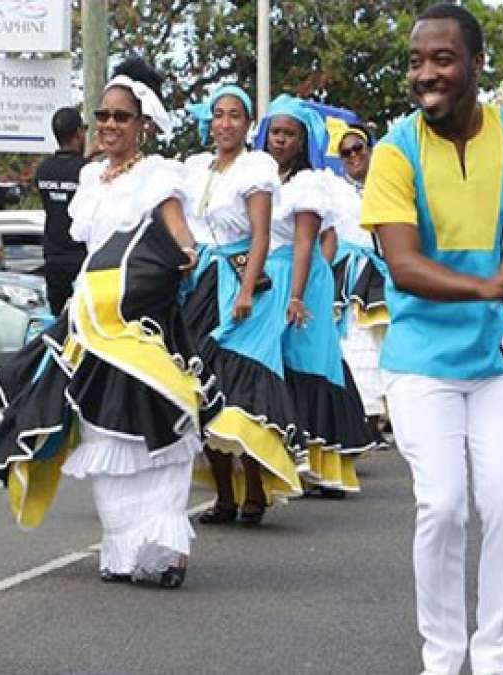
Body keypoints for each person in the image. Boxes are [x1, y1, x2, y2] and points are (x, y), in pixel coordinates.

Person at [361, 5, 503, 673]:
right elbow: (401, 264)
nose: (426, 74)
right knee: (445, 504)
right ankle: (442, 655)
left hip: (500, 358)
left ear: (478, 65)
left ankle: (492, 657)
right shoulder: (396, 149)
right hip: (422, 359)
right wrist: (489, 282)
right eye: (416, 61)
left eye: (443, 59)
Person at [0, 57, 203, 589]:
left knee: (159, 426)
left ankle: (168, 551)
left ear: (143, 123)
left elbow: (180, 236)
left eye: (121, 117)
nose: (108, 124)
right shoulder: (87, 177)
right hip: (90, 318)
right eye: (102, 115)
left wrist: (186, 255)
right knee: (104, 430)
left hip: (140, 322)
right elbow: (86, 249)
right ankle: (124, 550)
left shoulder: (159, 175)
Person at [182, 84, 301, 527]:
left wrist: (248, 289)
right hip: (201, 284)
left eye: (235, 115)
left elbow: (262, 234)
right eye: (219, 114)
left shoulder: (256, 168)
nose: (225, 123)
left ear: (248, 124)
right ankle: (224, 497)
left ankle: (254, 490)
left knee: (242, 391)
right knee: (202, 388)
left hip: (241, 282)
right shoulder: (196, 169)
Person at [254, 97, 376, 497]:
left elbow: (308, 242)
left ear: (303, 140)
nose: (281, 140)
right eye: (276, 132)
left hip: (300, 278)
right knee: (277, 365)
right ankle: (286, 456)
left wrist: (298, 295)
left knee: (310, 363)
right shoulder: (260, 176)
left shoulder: (310, 184)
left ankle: (324, 462)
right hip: (269, 276)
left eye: (290, 134)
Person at [330, 122, 392, 446]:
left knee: (384, 344)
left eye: (358, 149)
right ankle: (362, 419)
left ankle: (380, 417)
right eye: (345, 152)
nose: (352, 156)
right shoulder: (335, 192)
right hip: (347, 277)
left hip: (384, 275)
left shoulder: (387, 187)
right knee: (354, 343)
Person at [34, 106, 89, 315]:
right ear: (78, 133)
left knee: (59, 320)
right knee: (83, 320)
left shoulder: (43, 170)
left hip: (53, 258)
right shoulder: (87, 172)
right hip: (80, 257)